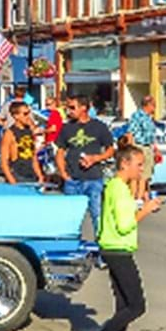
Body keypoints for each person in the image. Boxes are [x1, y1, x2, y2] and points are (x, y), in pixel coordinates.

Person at [80, 145, 164, 331]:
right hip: (117, 250)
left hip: (115, 248)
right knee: (137, 306)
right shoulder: (118, 188)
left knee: (123, 306)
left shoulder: (119, 188)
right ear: (124, 164)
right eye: (138, 165)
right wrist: (146, 210)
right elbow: (125, 224)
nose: (141, 170)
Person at [55, 96, 116, 233]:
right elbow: (60, 152)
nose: (68, 111)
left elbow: (110, 150)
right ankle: (72, 244)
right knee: (71, 218)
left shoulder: (99, 127)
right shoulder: (66, 128)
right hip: (73, 179)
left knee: (97, 215)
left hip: (93, 178)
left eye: (72, 108)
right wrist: (64, 174)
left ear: (84, 108)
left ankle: (100, 243)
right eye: (67, 108)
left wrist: (95, 158)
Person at [0, 101, 45, 188]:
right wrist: (12, 181)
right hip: (18, 175)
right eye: (25, 114)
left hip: (31, 175)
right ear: (16, 116)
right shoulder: (9, 134)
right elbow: (4, 162)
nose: (28, 117)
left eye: (29, 113)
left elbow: (33, 156)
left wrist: (39, 175)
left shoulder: (29, 131)